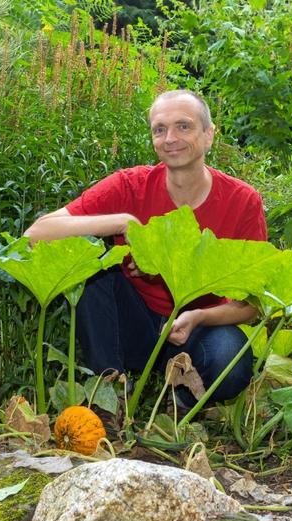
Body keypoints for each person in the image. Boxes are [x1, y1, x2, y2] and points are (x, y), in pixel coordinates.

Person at [24, 90, 267, 408]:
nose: (170, 138)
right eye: (159, 129)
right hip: (133, 325)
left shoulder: (242, 201)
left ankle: (180, 394)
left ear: (208, 136)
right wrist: (123, 223)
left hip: (196, 330)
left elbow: (251, 305)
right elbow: (37, 234)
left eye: (183, 126)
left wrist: (198, 317)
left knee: (230, 360)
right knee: (90, 262)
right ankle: (109, 392)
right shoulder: (129, 186)